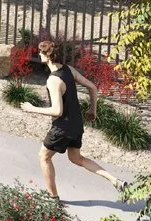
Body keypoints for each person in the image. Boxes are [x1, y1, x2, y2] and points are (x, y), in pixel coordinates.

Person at [14, 39, 126, 200]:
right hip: (76, 125)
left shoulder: (53, 80)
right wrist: (92, 110)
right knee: (76, 158)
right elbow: (93, 87)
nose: (39, 54)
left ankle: (53, 198)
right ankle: (115, 181)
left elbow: (57, 111)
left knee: (44, 157)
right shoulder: (69, 70)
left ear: (48, 56)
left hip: (62, 128)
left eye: (41, 52)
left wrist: (32, 108)